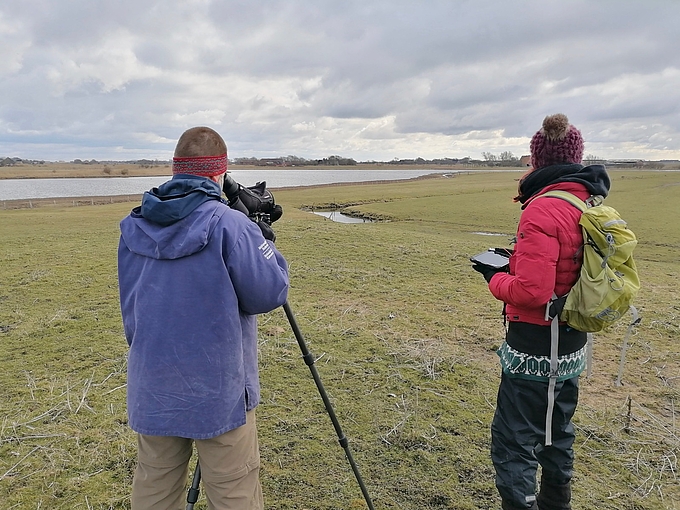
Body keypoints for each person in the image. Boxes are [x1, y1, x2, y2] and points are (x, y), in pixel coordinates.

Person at [117, 126, 290, 510]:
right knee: (233, 489)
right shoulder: (230, 225)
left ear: (176, 170)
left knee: (155, 485)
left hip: (153, 382)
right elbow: (270, 293)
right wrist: (261, 241)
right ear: (218, 174)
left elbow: (131, 306)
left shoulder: (133, 225)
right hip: (219, 390)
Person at [471, 114, 611, 510]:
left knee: (514, 440)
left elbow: (532, 292)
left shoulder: (541, 209)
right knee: (556, 432)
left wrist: (494, 277)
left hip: (536, 344)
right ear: (575, 157)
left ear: (538, 158)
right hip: (571, 342)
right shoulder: (583, 199)